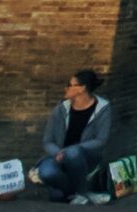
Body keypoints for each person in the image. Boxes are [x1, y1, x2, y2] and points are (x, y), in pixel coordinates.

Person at [31, 69, 113, 204]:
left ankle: (79, 193)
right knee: (46, 173)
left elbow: (101, 140)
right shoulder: (60, 109)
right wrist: (58, 152)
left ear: (81, 88)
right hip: (58, 156)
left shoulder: (103, 108)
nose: (66, 88)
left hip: (86, 156)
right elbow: (48, 141)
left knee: (73, 152)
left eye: (70, 85)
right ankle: (79, 193)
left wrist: (72, 149)